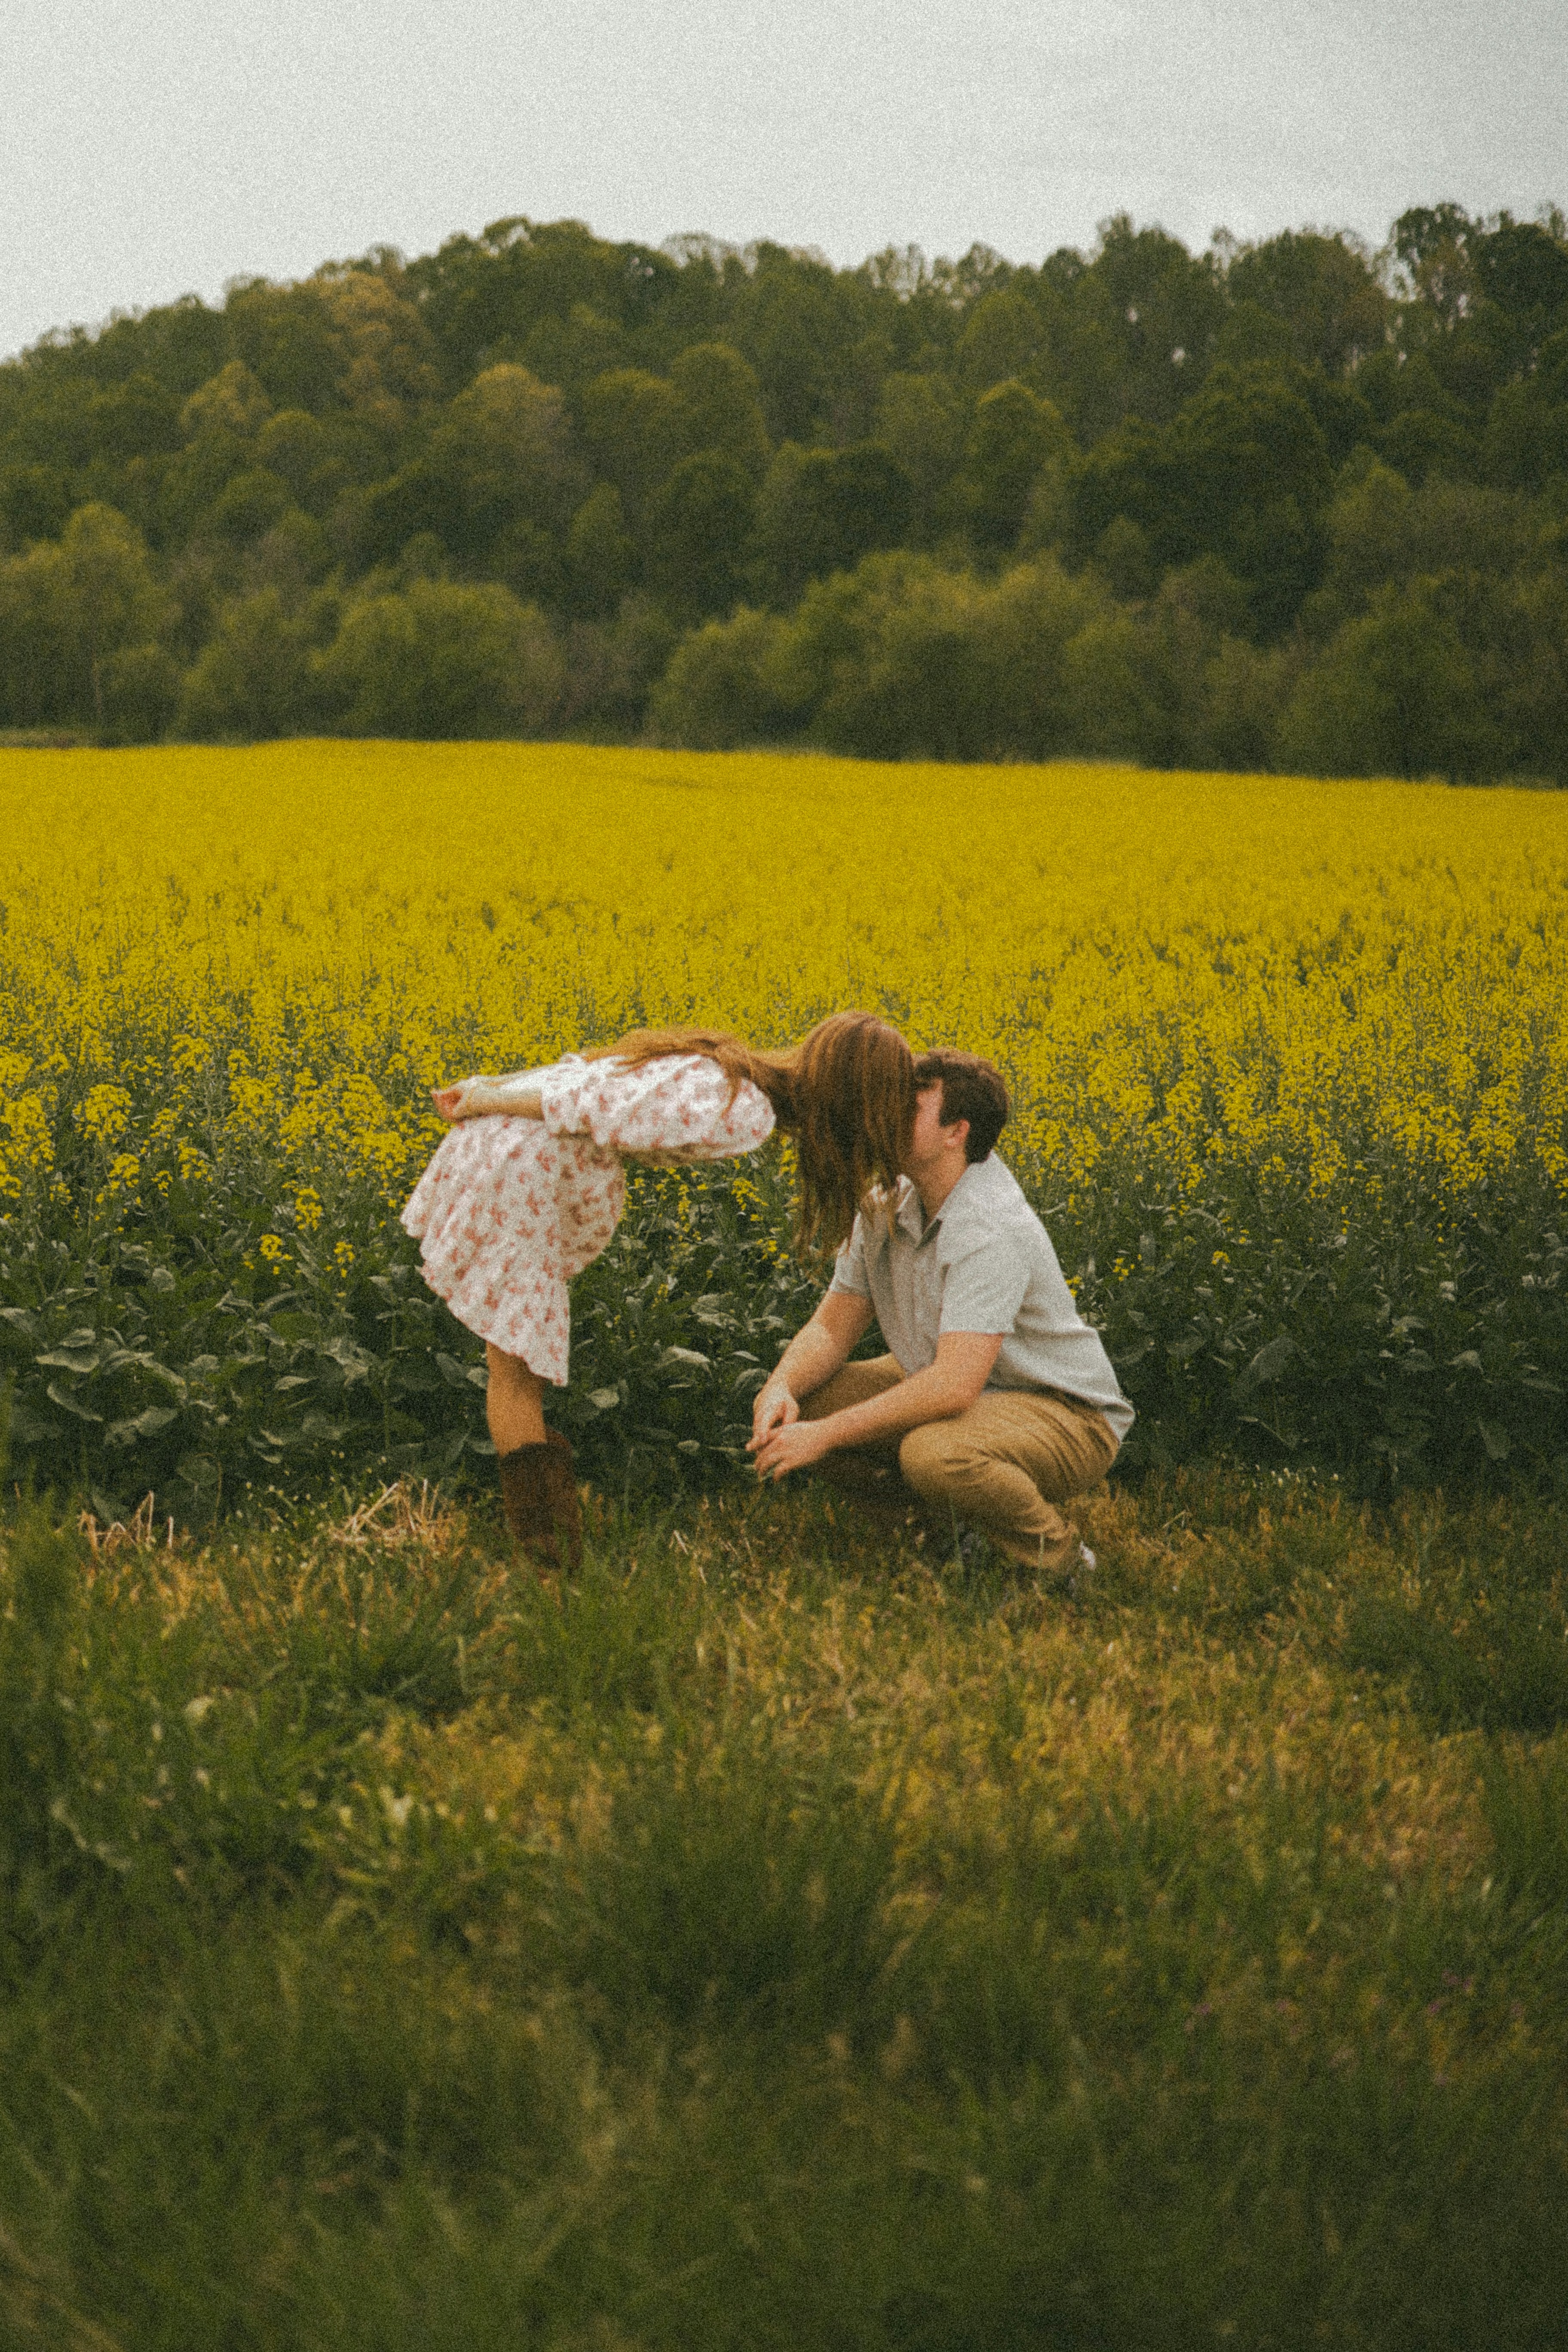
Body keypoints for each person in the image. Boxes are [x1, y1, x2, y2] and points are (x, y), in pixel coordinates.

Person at [403, 1013, 914, 1570]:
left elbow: (588, 1079)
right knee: (517, 1371)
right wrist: (483, 1097)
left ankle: (552, 1535)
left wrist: (492, 1091)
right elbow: (594, 1104)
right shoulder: (744, 1109)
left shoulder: (732, 1073)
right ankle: (549, 1556)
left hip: (522, 1160)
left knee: (518, 1366)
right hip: (523, 1169)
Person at [748, 1049, 1132, 1577]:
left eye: (909, 1108)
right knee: (810, 1400)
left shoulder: (989, 1227)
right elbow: (832, 1328)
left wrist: (827, 1436)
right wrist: (780, 1387)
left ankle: (1064, 1563)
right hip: (959, 1379)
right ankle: (943, 1540)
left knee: (934, 1454)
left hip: (1063, 1411)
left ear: (956, 1133)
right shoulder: (886, 1203)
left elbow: (954, 1385)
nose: (886, 1115)